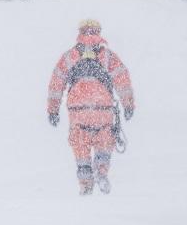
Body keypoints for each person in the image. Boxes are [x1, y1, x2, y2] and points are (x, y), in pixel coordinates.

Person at [47, 19, 134, 195]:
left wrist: (53, 110)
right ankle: (101, 172)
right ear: (98, 32)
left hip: (78, 110)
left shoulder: (70, 56)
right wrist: (128, 104)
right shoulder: (108, 56)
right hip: (102, 108)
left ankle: (85, 180)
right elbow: (122, 79)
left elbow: (57, 83)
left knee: (80, 143)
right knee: (104, 139)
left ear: (80, 32)